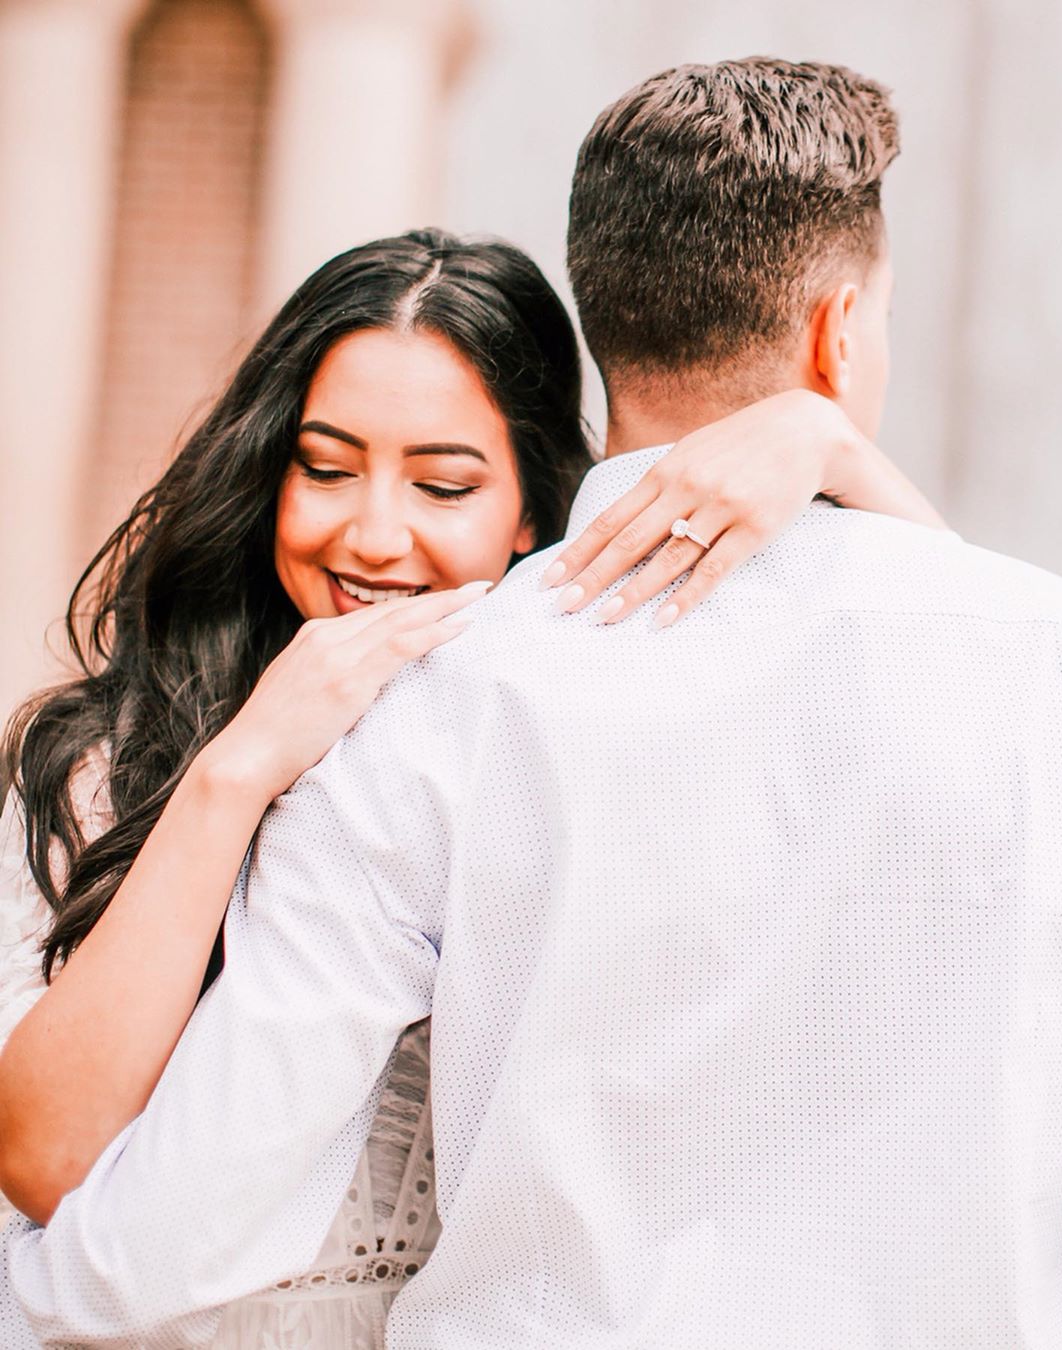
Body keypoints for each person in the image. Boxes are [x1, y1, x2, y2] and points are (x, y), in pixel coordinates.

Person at [0, 214, 940, 1350]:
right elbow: (46, 1163)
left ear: (532, 512)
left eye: (444, 487)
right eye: (326, 468)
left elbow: (970, 700)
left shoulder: (559, 751)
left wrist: (836, 451)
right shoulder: (108, 760)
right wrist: (239, 766)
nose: (374, 535)